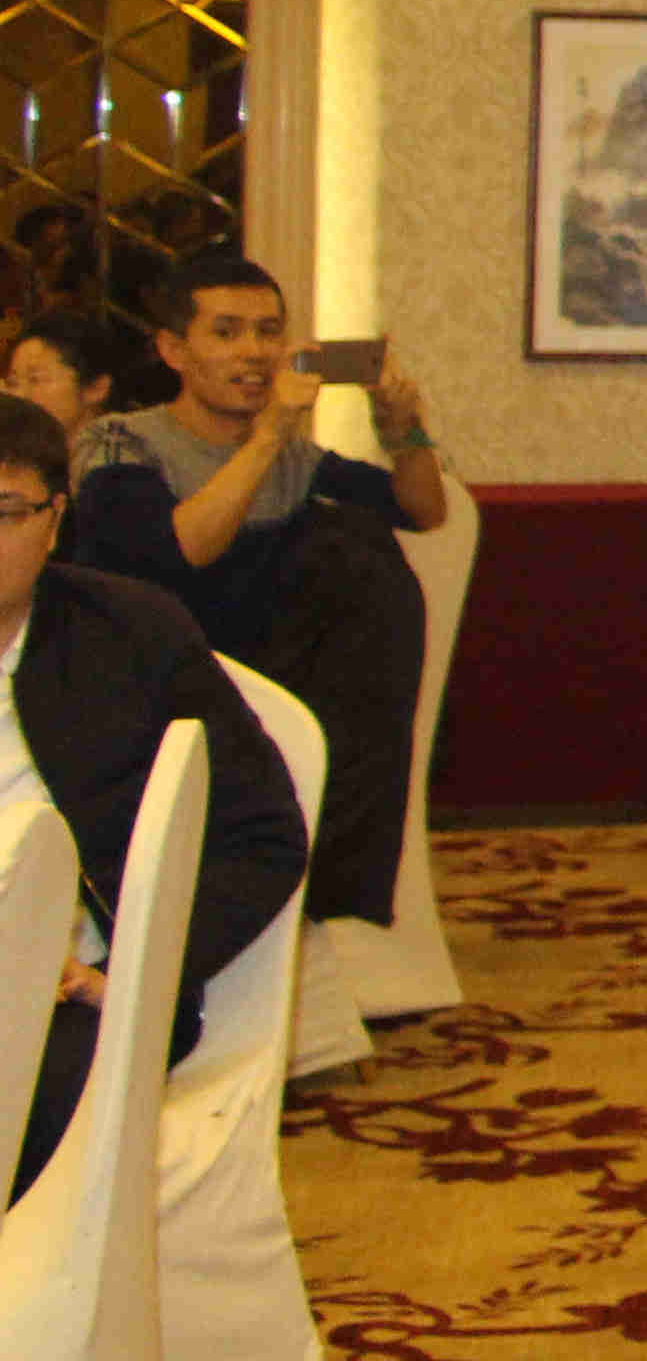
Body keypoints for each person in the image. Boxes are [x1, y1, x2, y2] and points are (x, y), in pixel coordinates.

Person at [60, 253, 442, 929]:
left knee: (359, 550)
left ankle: (329, 894)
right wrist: (267, 436)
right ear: (174, 350)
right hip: (154, 688)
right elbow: (181, 551)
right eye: (227, 332)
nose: (255, 353)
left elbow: (423, 511)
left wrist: (404, 430)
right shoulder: (119, 442)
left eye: (269, 332)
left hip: (284, 685)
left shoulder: (294, 458)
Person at [2, 394, 310, 1198]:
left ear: (54, 520)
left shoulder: (131, 634)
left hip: (74, 997)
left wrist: (137, 967)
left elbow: (264, 836)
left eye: (5, 512)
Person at [1, 302, 155, 437]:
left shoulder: (120, 456)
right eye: (12, 382)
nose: (18, 396)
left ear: (97, 388)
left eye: (35, 379)